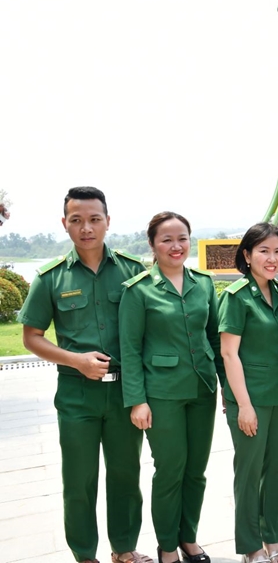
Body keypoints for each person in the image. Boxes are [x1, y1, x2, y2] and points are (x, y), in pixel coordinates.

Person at [17, 186, 152, 563]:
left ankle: (124, 549)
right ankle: (84, 555)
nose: (86, 228)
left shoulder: (132, 271)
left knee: (125, 475)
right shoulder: (51, 278)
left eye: (94, 219)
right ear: (65, 223)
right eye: (77, 220)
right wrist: (76, 360)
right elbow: (31, 337)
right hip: (77, 394)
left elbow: (152, 328)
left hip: (125, 392)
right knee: (79, 480)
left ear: (108, 221)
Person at [119, 212, 222, 563]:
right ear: (152, 244)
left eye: (182, 238)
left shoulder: (203, 283)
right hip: (162, 393)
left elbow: (215, 337)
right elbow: (130, 349)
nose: (176, 246)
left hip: (202, 389)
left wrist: (228, 387)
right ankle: (166, 545)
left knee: (196, 471)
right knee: (170, 471)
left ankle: (188, 538)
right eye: (166, 240)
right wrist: (137, 400)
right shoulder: (138, 290)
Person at [219, 223, 278, 563]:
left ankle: (272, 539)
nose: (272, 258)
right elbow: (229, 354)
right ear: (247, 255)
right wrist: (243, 405)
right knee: (249, 474)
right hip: (251, 398)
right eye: (264, 251)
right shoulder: (236, 296)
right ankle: (251, 546)